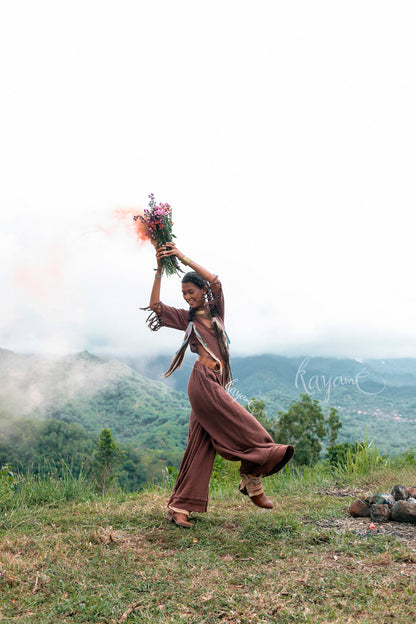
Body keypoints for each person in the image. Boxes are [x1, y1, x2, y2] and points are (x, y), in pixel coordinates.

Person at [143, 242, 294, 528]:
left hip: (216, 382)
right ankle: (252, 478)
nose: (188, 297)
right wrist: (161, 269)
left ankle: (179, 507)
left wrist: (181, 257)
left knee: (200, 446)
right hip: (202, 382)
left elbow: (215, 281)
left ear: (202, 293)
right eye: (184, 293)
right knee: (247, 425)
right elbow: (155, 307)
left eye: (192, 291)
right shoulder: (184, 318)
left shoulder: (216, 314)